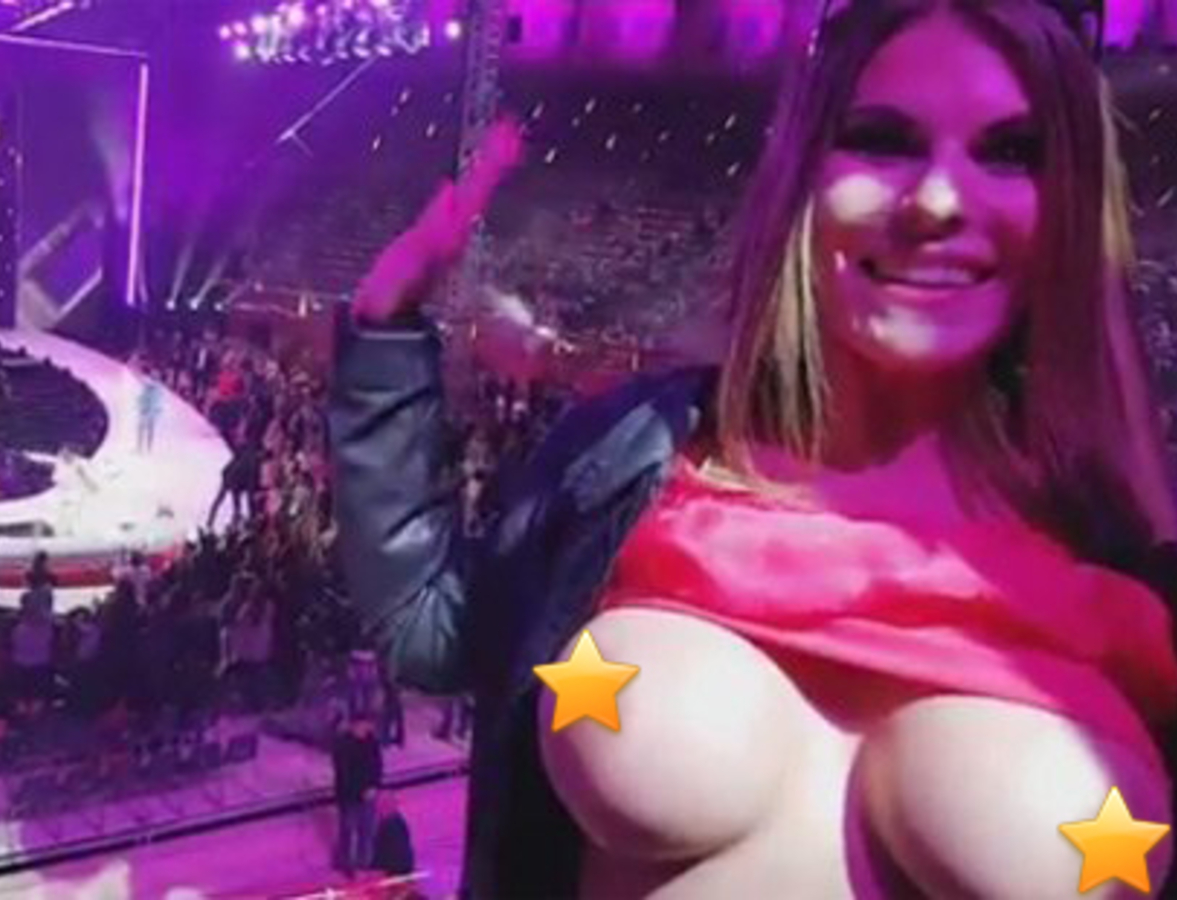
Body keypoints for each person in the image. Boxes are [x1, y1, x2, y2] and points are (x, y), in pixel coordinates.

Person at [328, 5, 1177, 898]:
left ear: (1074, 201)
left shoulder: (1124, 547)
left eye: (1011, 152)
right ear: (803, 171)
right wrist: (385, 332)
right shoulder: (638, 452)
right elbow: (433, 629)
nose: (937, 201)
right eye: (882, 141)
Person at [331, 716, 383, 879]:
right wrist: (361, 790)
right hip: (349, 796)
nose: (365, 729)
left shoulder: (372, 742)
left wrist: (374, 786)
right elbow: (344, 773)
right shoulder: (343, 745)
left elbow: (377, 766)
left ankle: (363, 864)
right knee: (347, 830)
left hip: (369, 794)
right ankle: (345, 863)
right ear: (353, 726)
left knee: (367, 830)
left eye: (367, 725)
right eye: (361, 726)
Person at [370, 790, 416, 879]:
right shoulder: (394, 821)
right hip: (399, 866)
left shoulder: (390, 824)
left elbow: (393, 849)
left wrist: (375, 867)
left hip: (397, 868)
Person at [137, 376, 162, 453]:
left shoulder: (150, 389)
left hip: (148, 411)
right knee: (148, 430)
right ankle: (146, 448)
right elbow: (142, 399)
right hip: (150, 411)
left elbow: (142, 398)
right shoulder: (157, 390)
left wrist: (142, 407)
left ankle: (143, 447)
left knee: (144, 429)